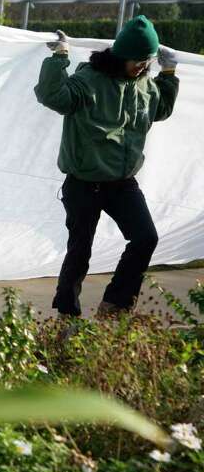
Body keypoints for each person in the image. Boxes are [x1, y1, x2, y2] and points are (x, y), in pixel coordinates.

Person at [34, 16, 180, 319]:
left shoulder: (145, 86)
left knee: (145, 238)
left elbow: (161, 110)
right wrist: (59, 56)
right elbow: (53, 95)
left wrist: (169, 73)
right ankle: (66, 316)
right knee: (80, 251)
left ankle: (115, 306)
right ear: (120, 55)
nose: (142, 66)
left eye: (147, 60)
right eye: (137, 60)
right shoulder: (89, 79)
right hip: (84, 182)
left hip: (122, 183)